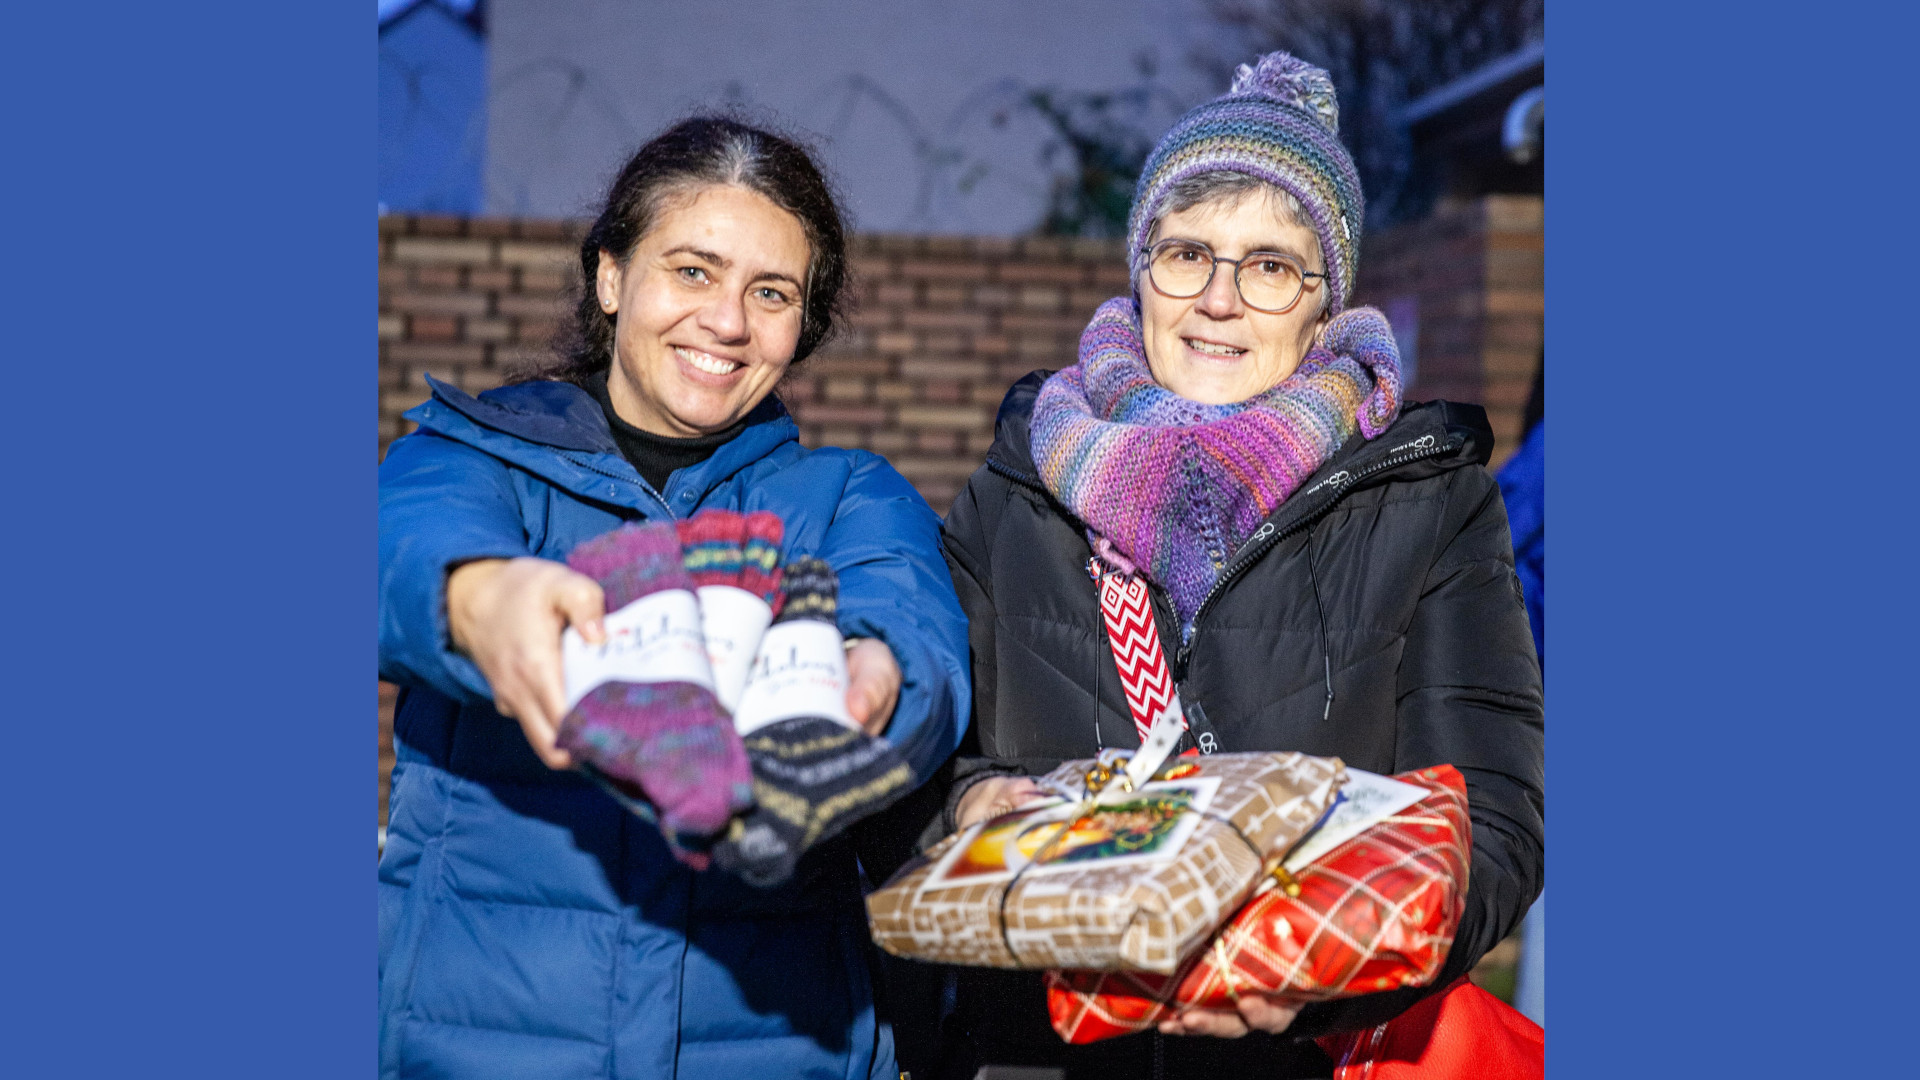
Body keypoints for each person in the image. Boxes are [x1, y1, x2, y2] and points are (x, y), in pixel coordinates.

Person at [929, 53, 1544, 1079]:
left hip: (1309, 1052)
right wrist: (967, 809)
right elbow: (925, 759)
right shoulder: (1015, 495)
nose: (1218, 298)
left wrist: (1322, 971)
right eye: (1185, 254)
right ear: (1141, 271)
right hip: (1042, 1052)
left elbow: (1492, 819)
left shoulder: (1430, 505)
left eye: (1268, 265)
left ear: (1322, 303)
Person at [377, 116, 970, 1080]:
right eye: (693, 270)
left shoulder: (846, 496)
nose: (727, 321)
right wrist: (483, 599)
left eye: (769, 292)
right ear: (612, 277)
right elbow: (400, 546)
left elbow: (911, 630)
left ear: (801, 327)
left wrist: (877, 690)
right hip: (469, 1048)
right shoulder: (471, 458)